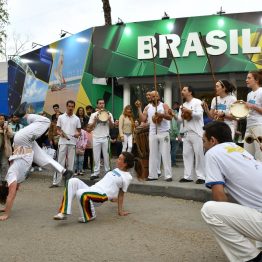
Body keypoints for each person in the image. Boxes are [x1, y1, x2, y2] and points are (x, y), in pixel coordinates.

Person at [201, 121, 262, 262]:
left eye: (204, 141)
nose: (203, 145)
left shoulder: (212, 153)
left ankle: (251, 258)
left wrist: (232, 224)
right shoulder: (242, 151)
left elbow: (219, 197)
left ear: (213, 140)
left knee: (209, 210)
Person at [0, 108, 73, 221]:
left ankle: (25, 115)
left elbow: (11, 195)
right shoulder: (16, 180)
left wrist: (6, 214)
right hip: (26, 148)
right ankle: (64, 171)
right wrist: (5, 208)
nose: (16, 190)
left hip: (21, 141)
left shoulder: (11, 178)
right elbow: (11, 195)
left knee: (45, 121)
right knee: (44, 159)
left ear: (6, 187)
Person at [53, 152, 142, 223]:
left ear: (125, 163)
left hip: (101, 196)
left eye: (119, 159)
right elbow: (111, 184)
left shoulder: (127, 177)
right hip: (93, 189)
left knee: (80, 192)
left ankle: (90, 215)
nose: (117, 160)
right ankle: (63, 212)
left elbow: (122, 194)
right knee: (73, 181)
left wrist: (120, 211)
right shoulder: (116, 170)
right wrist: (113, 198)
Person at [136, 91, 173, 182]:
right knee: (153, 153)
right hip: (152, 132)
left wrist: (161, 115)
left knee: (165, 153)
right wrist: (139, 108)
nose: (155, 97)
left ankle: (168, 175)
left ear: (159, 96)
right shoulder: (147, 107)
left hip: (164, 132)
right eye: (153, 96)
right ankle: (152, 175)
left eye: (156, 95)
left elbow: (170, 117)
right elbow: (143, 119)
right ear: (151, 98)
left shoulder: (164, 105)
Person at [177, 86, 205, 184]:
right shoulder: (182, 105)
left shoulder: (197, 102)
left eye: (184, 90)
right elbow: (180, 120)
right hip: (187, 133)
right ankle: (187, 176)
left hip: (197, 133)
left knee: (198, 155)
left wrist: (188, 111)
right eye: (182, 90)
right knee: (186, 154)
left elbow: (199, 115)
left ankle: (201, 176)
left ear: (190, 92)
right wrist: (175, 114)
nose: (182, 92)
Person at [50, 100, 81, 188]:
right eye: (69, 106)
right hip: (62, 142)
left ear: (74, 107)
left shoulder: (77, 119)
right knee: (60, 162)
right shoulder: (61, 117)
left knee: (71, 163)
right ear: (66, 107)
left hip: (72, 143)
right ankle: (56, 182)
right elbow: (58, 129)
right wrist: (61, 133)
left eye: (72, 106)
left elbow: (79, 132)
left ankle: (69, 183)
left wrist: (77, 134)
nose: (70, 108)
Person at [88, 99, 114, 180]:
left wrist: (109, 119)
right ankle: (96, 173)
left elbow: (112, 127)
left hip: (105, 137)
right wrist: (95, 120)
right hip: (96, 137)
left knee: (106, 156)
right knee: (96, 156)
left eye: (103, 103)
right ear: (97, 105)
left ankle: (108, 172)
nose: (102, 105)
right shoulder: (93, 115)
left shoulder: (109, 114)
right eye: (100, 103)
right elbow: (89, 128)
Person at [244, 70, 262, 161]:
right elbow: (249, 110)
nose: (246, 80)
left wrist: (252, 106)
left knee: (260, 154)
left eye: (249, 78)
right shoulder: (249, 94)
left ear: (256, 80)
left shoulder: (261, 91)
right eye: (247, 78)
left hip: (259, 126)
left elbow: (253, 107)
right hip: (249, 127)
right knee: (247, 155)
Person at [0, 115, 13, 181]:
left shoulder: (7, 126)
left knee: (4, 164)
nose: (1, 120)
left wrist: (6, 129)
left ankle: (3, 180)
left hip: (4, 149)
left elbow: (11, 135)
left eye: (3, 119)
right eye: (0, 119)